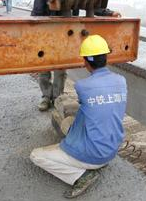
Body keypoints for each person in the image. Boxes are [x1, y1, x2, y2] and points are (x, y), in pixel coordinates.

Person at [30, 35, 127, 198]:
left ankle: (81, 176)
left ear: (86, 62)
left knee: (36, 155)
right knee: (70, 122)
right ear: (105, 57)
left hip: (94, 156)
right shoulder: (121, 80)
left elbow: (86, 100)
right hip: (111, 150)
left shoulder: (82, 86)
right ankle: (91, 160)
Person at [31, 0, 121, 111]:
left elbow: (90, 4)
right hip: (46, 35)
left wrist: (108, 13)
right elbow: (36, 14)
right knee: (44, 68)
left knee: (61, 69)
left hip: (65, 36)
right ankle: (46, 96)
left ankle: (58, 97)